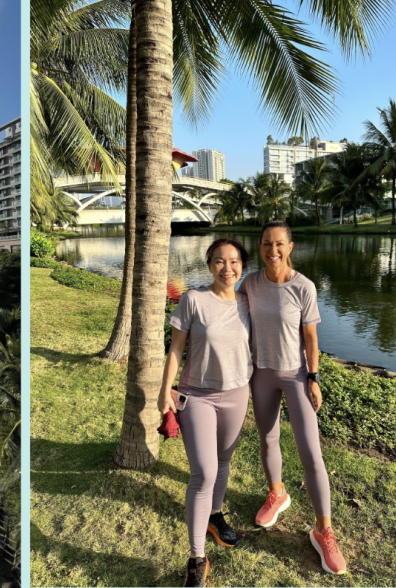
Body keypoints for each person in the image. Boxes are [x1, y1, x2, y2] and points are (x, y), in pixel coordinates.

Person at [238, 220, 347, 575]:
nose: (273, 250)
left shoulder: (304, 287)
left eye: (279, 244)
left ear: (290, 246)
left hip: (296, 375)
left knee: (311, 453)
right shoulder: (250, 284)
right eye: (267, 244)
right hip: (262, 374)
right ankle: (277, 493)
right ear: (259, 247)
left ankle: (323, 530)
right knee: (268, 439)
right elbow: (229, 312)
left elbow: (311, 339)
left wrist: (313, 378)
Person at [158, 238, 253, 587]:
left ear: (243, 265)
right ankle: (197, 557)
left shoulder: (248, 302)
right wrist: (165, 389)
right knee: (204, 473)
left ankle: (215, 516)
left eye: (234, 261)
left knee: (224, 462)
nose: (227, 268)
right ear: (209, 265)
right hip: (197, 395)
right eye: (219, 262)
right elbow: (176, 348)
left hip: (237, 393)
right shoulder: (193, 299)